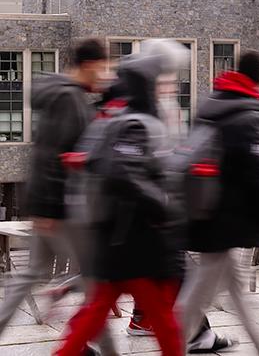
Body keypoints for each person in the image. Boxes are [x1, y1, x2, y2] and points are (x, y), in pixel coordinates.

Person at [54, 44, 187, 356]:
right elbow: (124, 173)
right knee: (164, 319)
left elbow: (99, 163)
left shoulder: (115, 120)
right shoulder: (135, 124)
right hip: (135, 236)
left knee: (97, 310)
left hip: (115, 234)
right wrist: (163, 206)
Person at [0, 38, 115, 355]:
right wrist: (48, 209)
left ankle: (83, 346)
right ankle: (98, 348)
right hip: (61, 209)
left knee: (31, 273)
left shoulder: (69, 96)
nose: (105, 74)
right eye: (103, 67)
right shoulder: (69, 98)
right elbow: (51, 154)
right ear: (90, 65)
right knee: (93, 281)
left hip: (53, 205)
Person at [176, 51, 259, 356]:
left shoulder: (212, 105)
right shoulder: (251, 114)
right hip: (227, 220)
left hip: (204, 211)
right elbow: (257, 173)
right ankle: (172, 344)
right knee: (197, 295)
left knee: (236, 288)